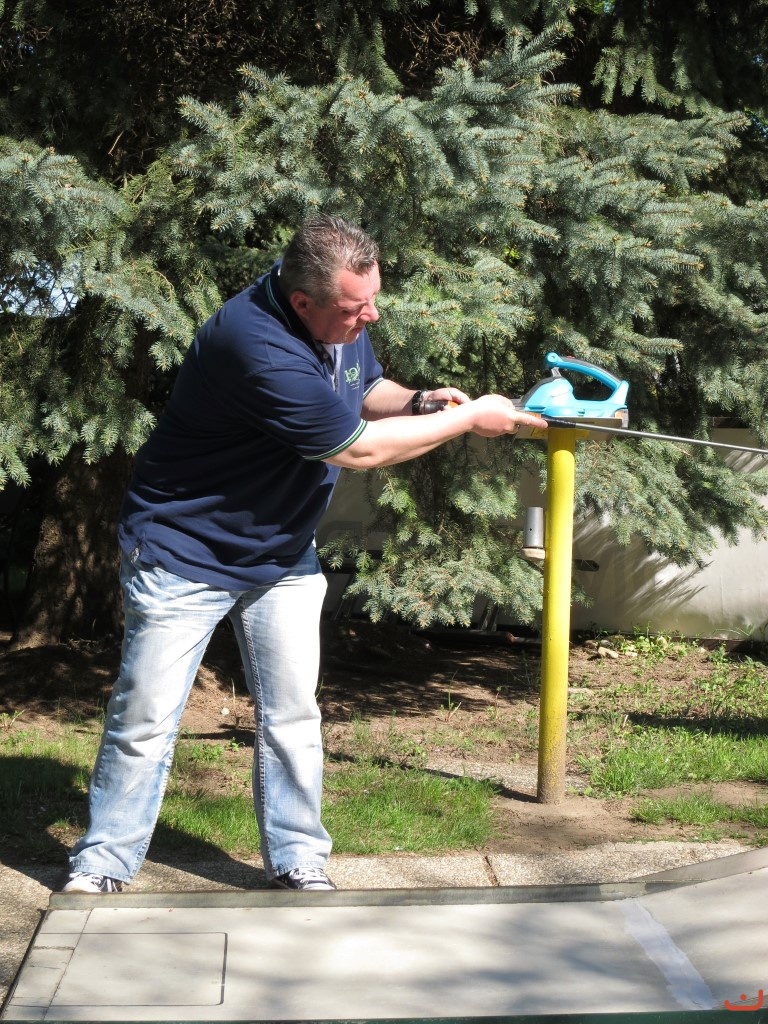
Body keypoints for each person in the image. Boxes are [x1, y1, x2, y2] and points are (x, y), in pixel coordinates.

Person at [63, 215, 547, 894]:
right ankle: (102, 865)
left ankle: (298, 861)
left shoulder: (336, 312)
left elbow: (363, 389)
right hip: (183, 553)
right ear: (302, 303)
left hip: (283, 552)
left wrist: (417, 401)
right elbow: (359, 449)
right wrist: (466, 418)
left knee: (292, 715)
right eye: (356, 309)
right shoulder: (256, 344)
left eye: (372, 301)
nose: (369, 316)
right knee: (145, 720)